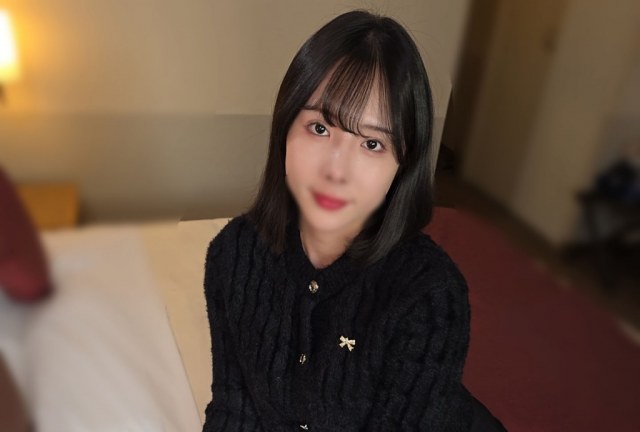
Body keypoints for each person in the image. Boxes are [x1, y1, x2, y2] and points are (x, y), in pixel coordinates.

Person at [202, 10, 506, 431]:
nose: (336, 170)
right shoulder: (233, 255)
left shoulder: (430, 297)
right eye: (320, 128)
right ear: (284, 129)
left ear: (403, 166)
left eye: (372, 143)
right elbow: (234, 407)